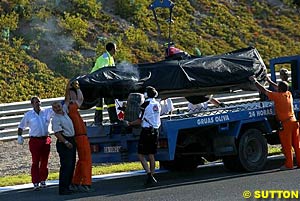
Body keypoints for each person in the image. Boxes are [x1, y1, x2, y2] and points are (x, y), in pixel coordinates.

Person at [249, 75, 300, 170]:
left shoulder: (277, 96)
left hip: (286, 124)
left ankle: (289, 165)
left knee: (287, 145)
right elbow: (279, 87)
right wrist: (269, 80)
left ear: (279, 89)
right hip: (294, 122)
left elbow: (264, 90)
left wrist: (254, 81)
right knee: (297, 144)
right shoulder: (289, 94)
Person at [17, 96, 53, 190]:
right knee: (35, 161)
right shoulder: (28, 115)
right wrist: (19, 136)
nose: (38, 103)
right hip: (35, 140)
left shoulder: (46, 112)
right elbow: (21, 126)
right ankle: (36, 181)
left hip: (45, 139)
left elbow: (58, 107)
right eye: (36, 102)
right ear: (32, 104)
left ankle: (43, 180)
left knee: (44, 161)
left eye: (39, 102)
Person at [127, 86, 161, 186]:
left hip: (146, 131)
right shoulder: (157, 104)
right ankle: (153, 176)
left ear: (146, 94)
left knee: (141, 154)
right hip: (155, 130)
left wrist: (129, 123)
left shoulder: (145, 104)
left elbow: (139, 120)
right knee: (151, 155)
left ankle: (149, 174)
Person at [65, 80, 93, 192]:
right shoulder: (69, 107)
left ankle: (76, 182)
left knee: (82, 160)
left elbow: (79, 99)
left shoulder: (70, 106)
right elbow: (78, 99)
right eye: (72, 94)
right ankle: (86, 183)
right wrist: (74, 87)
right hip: (79, 135)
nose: (74, 96)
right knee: (86, 160)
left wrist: (75, 88)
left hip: (79, 135)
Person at [51, 101, 76, 195]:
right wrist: (66, 142)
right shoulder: (55, 119)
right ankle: (63, 188)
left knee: (71, 165)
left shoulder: (65, 112)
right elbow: (57, 133)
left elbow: (67, 98)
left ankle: (68, 186)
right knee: (66, 166)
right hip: (64, 141)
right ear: (53, 109)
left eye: (58, 106)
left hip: (71, 139)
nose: (57, 108)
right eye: (55, 107)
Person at [90, 42, 118, 125]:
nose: (116, 50)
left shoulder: (110, 57)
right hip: (97, 83)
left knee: (110, 102)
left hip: (103, 83)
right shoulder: (105, 58)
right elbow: (103, 71)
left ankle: (114, 120)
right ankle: (98, 121)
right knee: (99, 104)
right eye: (115, 48)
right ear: (112, 49)